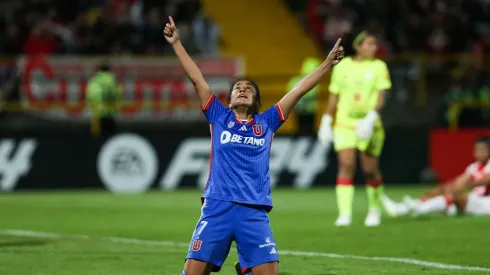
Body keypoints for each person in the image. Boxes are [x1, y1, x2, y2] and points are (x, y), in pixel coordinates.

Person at [163, 16, 344, 275]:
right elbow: (197, 78)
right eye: (237, 88)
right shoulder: (218, 116)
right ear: (228, 100)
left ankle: (246, 269)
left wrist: (327, 64)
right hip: (217, 207)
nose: (243, 89)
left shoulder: (267, 122)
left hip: (253, 211)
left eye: (249, 88)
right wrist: (177, 43)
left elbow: (297, 92)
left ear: (257, 100)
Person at [317, 30, 392, 227]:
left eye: (375, 44)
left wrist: (371, 117)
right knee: (346, 164)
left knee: (370, 169)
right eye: (369, 44)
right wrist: (326, 119)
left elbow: (382, 97)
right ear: (358, 47)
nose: (373, 48)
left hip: (369, 123)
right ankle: (344, 214)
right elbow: (334, 95)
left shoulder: (379, 66)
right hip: (345, 123)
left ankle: (374, 209)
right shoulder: (343, 67)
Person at [382, 137, 490, 217]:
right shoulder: (473, 167)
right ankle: (401, 208)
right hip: (475, 200)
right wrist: (443, 189)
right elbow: (460, 181)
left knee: (454, 196)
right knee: (444, 190)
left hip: (486, 203)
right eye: (476, 150)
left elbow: (485, 180)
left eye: (481, 150)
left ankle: (419, 209)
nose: (478, 153)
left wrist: (463, 186)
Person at [86, 63, 120, 139]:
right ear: (109, 70)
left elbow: (90, 95)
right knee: (110, 138)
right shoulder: (111, 79)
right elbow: (115, 94)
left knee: (97, 137)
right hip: (109, 113)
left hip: (96, 114)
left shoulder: (94, 80)